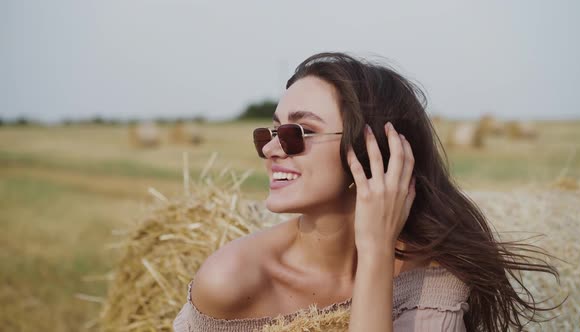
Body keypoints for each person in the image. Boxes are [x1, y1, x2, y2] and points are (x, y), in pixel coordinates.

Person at [173, 52, 559, 331]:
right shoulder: (232, 280)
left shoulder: (431, 278)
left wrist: (375, 254)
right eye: (270, 133)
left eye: (298, 133)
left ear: (371, 150)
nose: (272, 149)